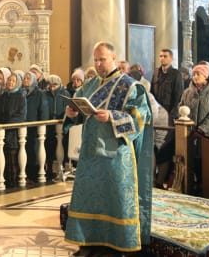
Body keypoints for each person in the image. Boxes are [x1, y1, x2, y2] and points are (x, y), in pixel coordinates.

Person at [64, 41, 153, 256]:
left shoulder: (130, 86)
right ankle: (88, 242)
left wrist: (113, 116)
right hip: (90, 153)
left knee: (115, 199)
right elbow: (77, 107)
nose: (98, 63)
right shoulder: (90, 84)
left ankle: (116, 244)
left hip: (116, 154)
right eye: (95, 59)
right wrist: (71, 112)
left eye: (102, 59)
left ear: (113, 58)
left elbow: (141, 117)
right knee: (90, 198)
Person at [179, 63, 209, 195]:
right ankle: (193, 189)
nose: (195, 76)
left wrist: (202, 129)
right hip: (190, 134)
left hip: (208, 135)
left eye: (198, 74)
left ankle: (208, 190)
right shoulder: (188, 92)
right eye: (194, 74)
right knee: (194, 162)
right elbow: (180, 107)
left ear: (205, 76)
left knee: (208, 164)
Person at [150, 49, 183, 187]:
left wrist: (172, 117)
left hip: (169, 118)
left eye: (165, 56)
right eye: (160, 56)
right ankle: (152, 180)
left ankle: (160, 181)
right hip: (156, 116)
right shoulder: (156, 73)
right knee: (153, 148)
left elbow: (178, 96)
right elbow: (151, 93)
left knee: (165, 149)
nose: (162, 58)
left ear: (171, 58)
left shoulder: (176, 74)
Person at [0, 72, 26, 187]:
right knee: (3, 159)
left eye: (13, 81)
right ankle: (6, 181)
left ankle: (13, 183)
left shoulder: (20, 96)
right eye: (9, 80)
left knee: (13, 159)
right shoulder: (2, 96)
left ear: (17, 83)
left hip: (12, 133)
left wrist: (7, 125)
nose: (10, 83)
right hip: (1, 132)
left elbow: (21, 115)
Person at [22, 71, 49, 182]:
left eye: (28, 78)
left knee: (35, 151)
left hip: (35, 128)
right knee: (25, 151)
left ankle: (35, 174)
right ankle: (27, 174)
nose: (26, 80)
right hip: (24, 128)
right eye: (25, 78)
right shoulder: (22, 92)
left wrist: (42, 126)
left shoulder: (39, 94)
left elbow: (44, 111)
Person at [44, 74, 70, 179]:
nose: (52, 87)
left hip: (60, 124)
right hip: (49, 125)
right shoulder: (45, 94)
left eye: (54, 84)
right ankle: (49, 168)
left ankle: (61, 168)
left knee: (61, 145)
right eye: (50, 84)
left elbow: (67, 108)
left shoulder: (65, 93)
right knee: (48, 147)